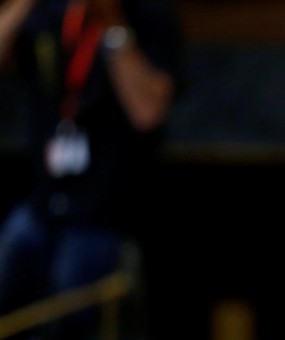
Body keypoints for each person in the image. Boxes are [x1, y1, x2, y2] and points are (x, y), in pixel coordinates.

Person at [0, 0, 183, 339]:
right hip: (43, 205)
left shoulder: (149, 15)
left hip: (107, 214)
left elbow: (147, 112)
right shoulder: (51, 15)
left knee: (71, 306)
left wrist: (111, 23)